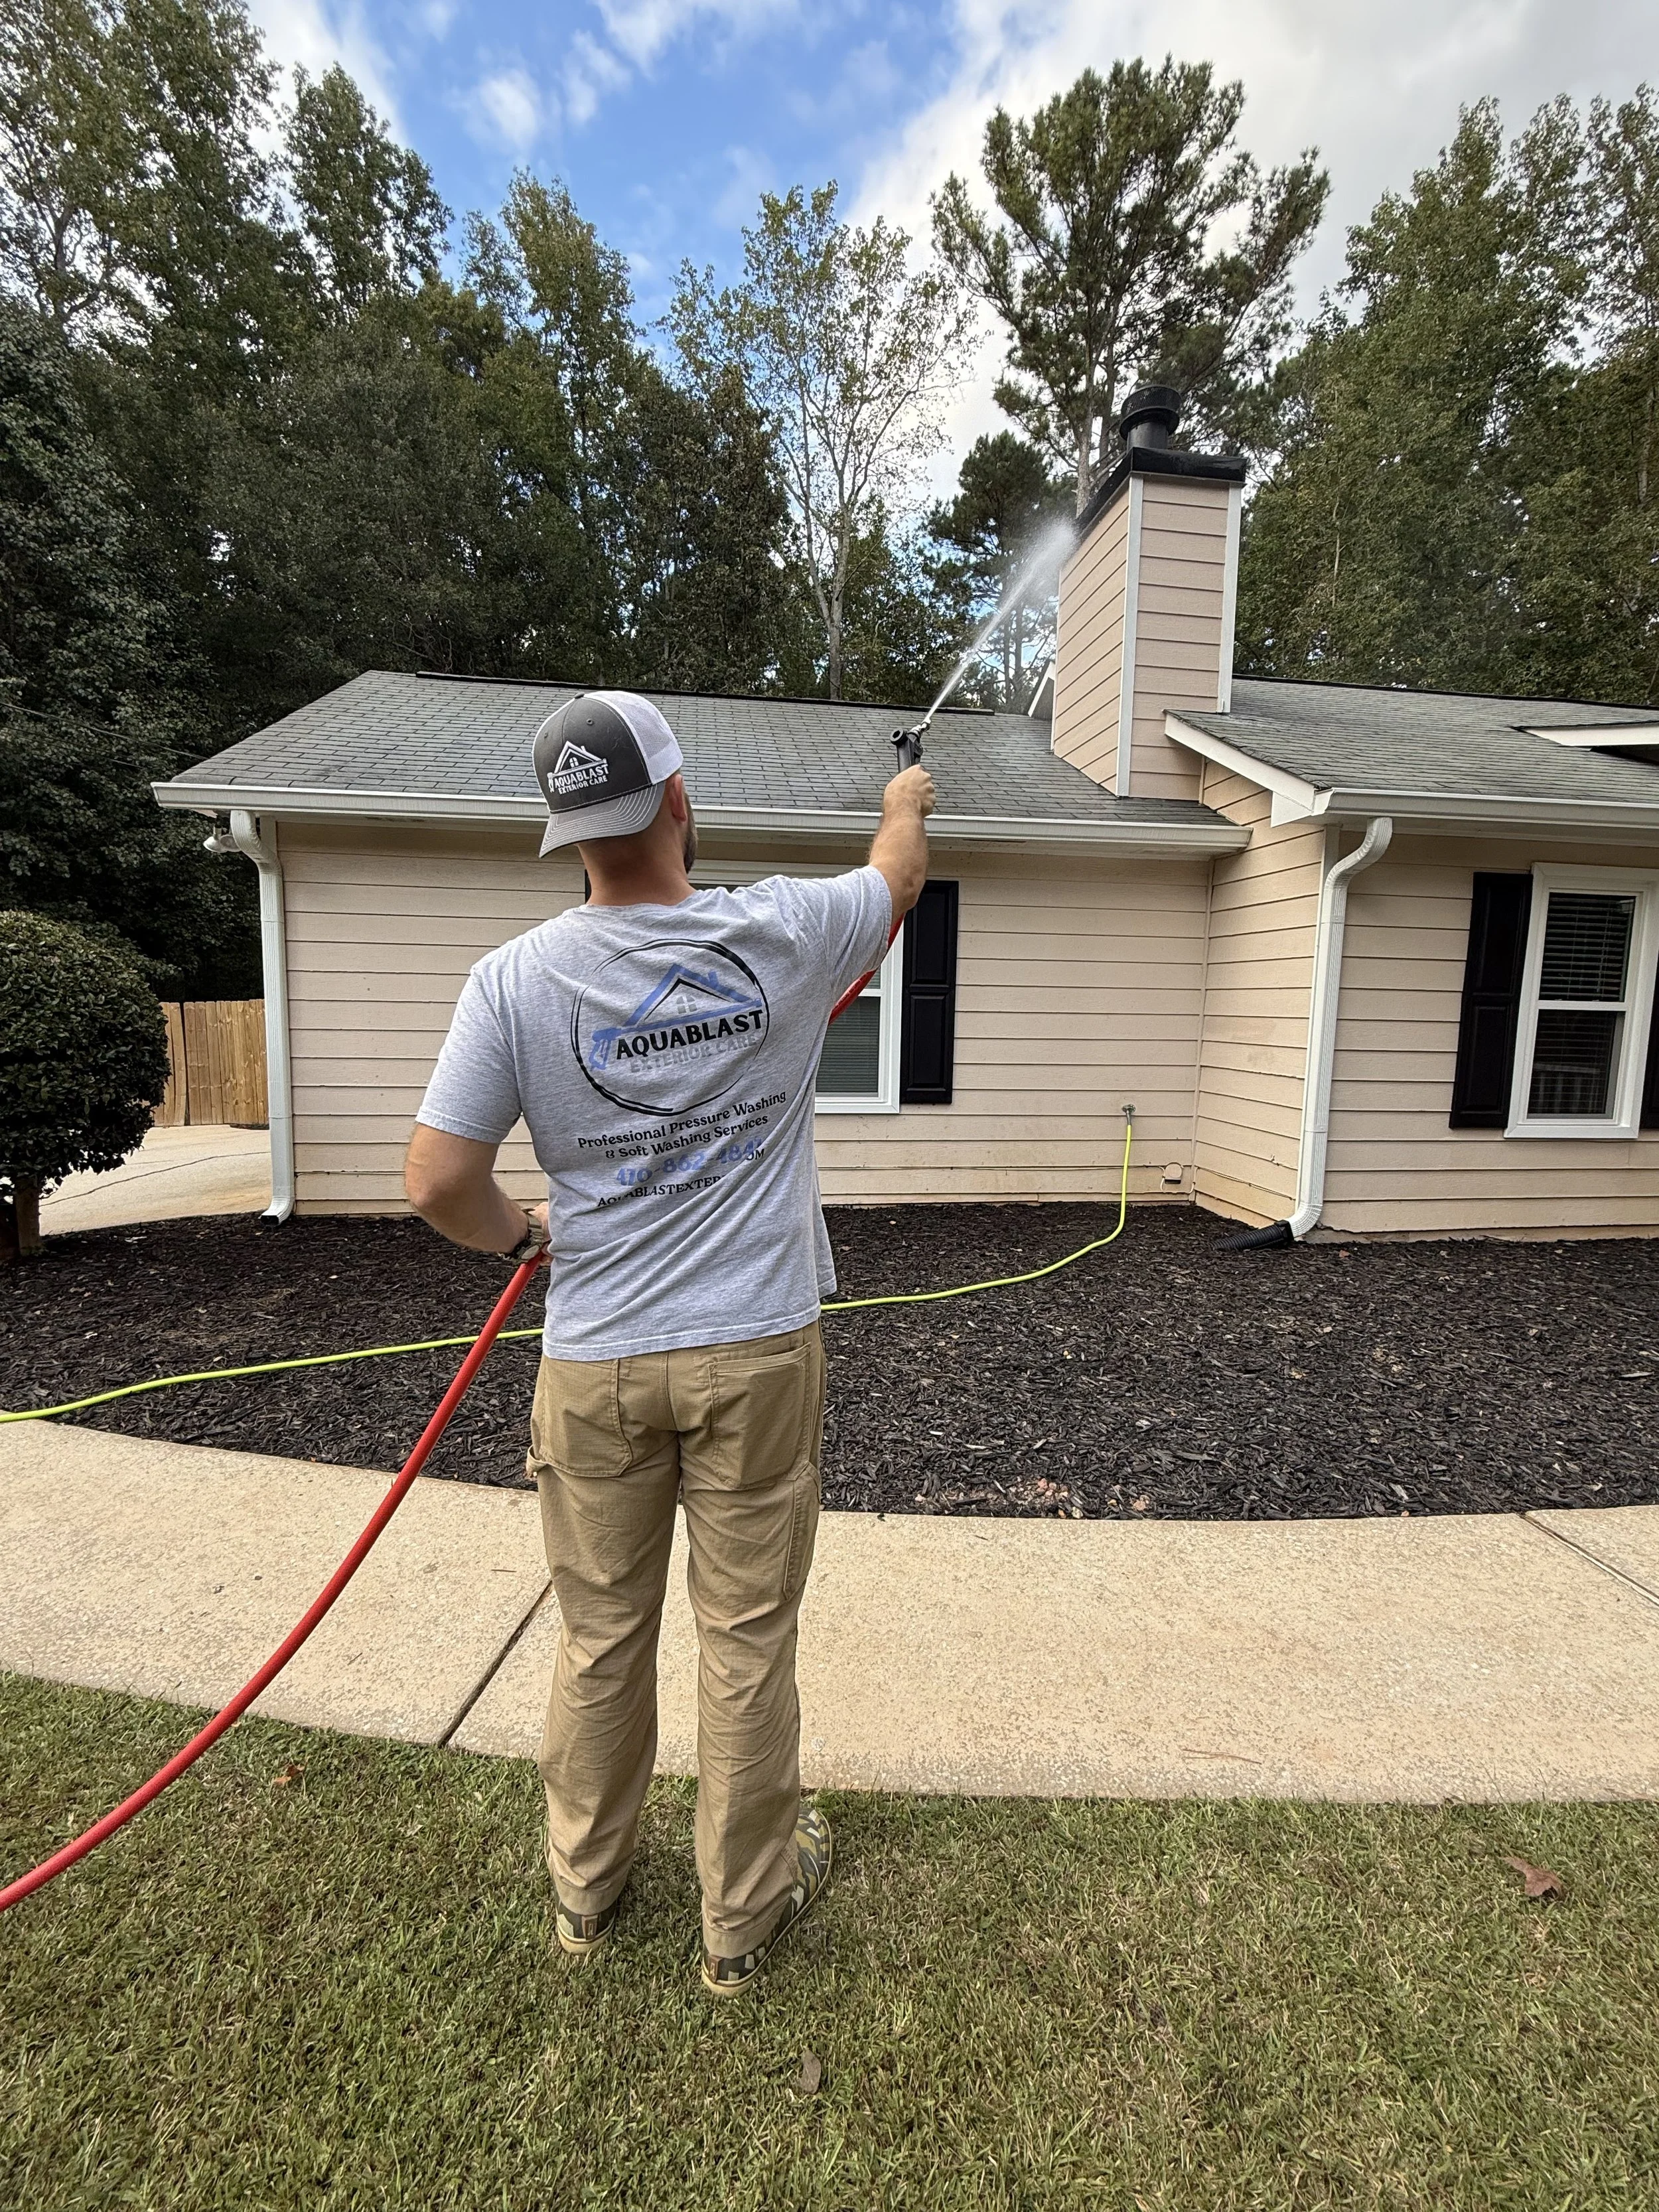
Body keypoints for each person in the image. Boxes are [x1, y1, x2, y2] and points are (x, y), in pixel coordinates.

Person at [404, 690, 934, 1994]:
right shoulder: (785, 933)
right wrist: (906, 799)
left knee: (598, 1633)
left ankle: (586, 1892)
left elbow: (434, 1180)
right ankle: (737, 1923)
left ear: (569, 839)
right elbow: (896, 879)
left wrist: (518, 1226)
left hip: (594, 1361)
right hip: (756, 1350)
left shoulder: (514, 981)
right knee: (745, 1639)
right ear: (680, 803)